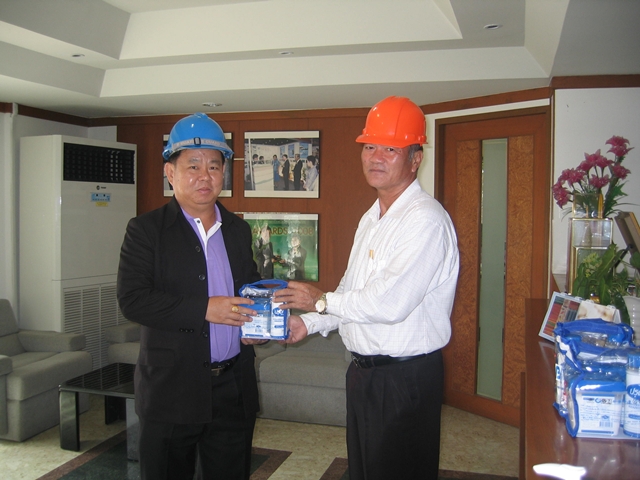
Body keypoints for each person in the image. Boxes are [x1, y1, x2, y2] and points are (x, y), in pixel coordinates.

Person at [275, 96, 459, 480]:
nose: (376, 157)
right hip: (364, 375)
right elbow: (351, 289)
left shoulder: (425, 220)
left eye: (390, 149)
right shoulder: (372, 217)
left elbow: (388, 304)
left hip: (403, 380)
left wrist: (320, 300)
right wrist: (310, 322)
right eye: (369, 146)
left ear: (415, 158)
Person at [117, 112, 264, 480]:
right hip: (171, 389)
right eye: (193, 165)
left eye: (214, 166)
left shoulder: (238, 229)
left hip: (232, 387)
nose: (205, 176)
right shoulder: (146, 230)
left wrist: (258, 324)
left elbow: (250, 288)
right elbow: (133, 299)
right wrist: (204, 309)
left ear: (224, 173)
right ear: (170, 173)